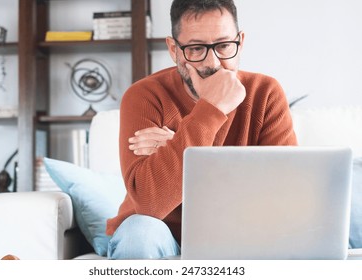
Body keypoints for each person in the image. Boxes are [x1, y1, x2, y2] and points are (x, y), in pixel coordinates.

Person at [105, 0, 297, 259]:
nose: (213, 62)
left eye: (224, 45)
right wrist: (212, 108)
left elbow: (282, 196)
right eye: (196, 48)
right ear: (174, 49)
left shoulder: (265, 93)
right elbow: (150, 204)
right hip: (163, 235)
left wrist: (182, 152)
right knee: (140, 232)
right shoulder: (144, 96)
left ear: (240, 42)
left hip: (240, 235)